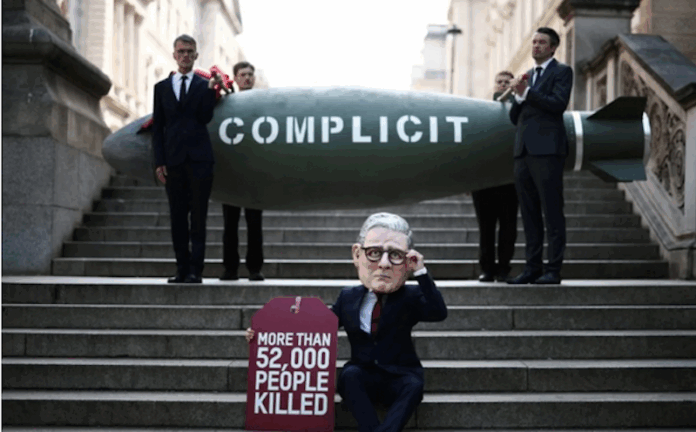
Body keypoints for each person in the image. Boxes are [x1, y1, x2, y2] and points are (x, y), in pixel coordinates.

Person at [246, 212, 447, 432]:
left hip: (400, 374)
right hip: (363, 373)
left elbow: (438, 312)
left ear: (406, 261)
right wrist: (264, 332)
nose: (384, 264)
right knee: (349, 377)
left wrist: (421, 272)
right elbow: (318, 326)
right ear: (357, 254)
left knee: (414, 386)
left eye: (395, 255)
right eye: (374, 253)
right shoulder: (349, 297)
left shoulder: (410, 296)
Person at [507, 27, 573, 285]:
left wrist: (527, 93)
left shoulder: (562, 71)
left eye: (541, 42)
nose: (535, 46)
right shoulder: (527, 76)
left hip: (548, 151)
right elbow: (515, 118)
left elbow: (558, 104)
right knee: (529, 214)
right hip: (523, 152)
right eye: (534, 42)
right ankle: (532, 268)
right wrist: (518, 96)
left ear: (553, 47)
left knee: (552, 213)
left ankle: (553, 269)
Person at [152, 34, 219, 284]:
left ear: (196, 56)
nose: (185, 56)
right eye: (181, 51)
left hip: (200, 160)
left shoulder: (204, 85)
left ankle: (195, 271)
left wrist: (211, 92)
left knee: (198, 217)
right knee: (177, 217)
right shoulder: (161, 88)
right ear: (174, 55)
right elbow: (158, 127)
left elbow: (205, 117)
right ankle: (181, 269)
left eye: (190, 52)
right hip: (173, 161)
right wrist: (159, 161)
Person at [471, 71, 519, 282]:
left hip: (510, 180)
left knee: (508, 227)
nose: (502, 85)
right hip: (483, 180)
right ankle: (487, 269)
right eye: (499, 82)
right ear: (494, 85)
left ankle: (504, 268)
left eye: (507, 82)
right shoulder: (482, 110)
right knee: (486, 228)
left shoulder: (519, 109)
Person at [219, 62, 265, 281]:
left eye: (250, 74)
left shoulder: (262, 104)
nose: (247, 78)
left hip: (254, 173)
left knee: (255, 223)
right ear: (235, 78)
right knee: (230, 224)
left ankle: (255, 269)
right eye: (243, 74)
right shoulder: (226, 102)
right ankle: (230, 268)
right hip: (231, 172)